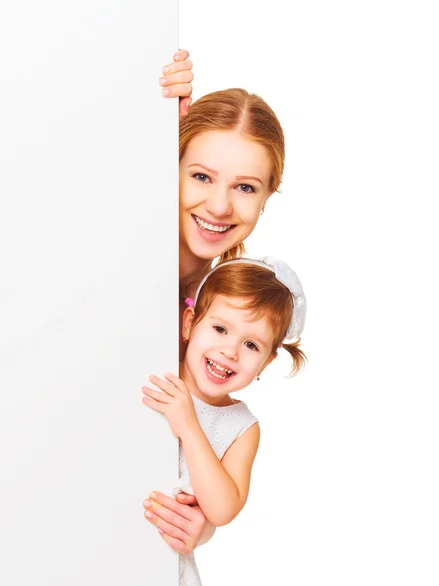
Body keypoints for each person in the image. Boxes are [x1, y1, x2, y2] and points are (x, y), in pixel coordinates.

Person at [142, 50, 289, 558]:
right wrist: (144, 105)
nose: (221, 206)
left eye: (245, 187)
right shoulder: (138, 246)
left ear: (269, 195)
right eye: (201, 176)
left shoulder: (220, 298)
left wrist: (199, 522)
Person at [142, 257, 307, 585]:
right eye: (220, 328)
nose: (230, 351)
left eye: (250, 345)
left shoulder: (242, 427)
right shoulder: (156, 368)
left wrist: (189, 427)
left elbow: (221, 510)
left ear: (265, 362)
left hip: (163, 561)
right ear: (189, 324)